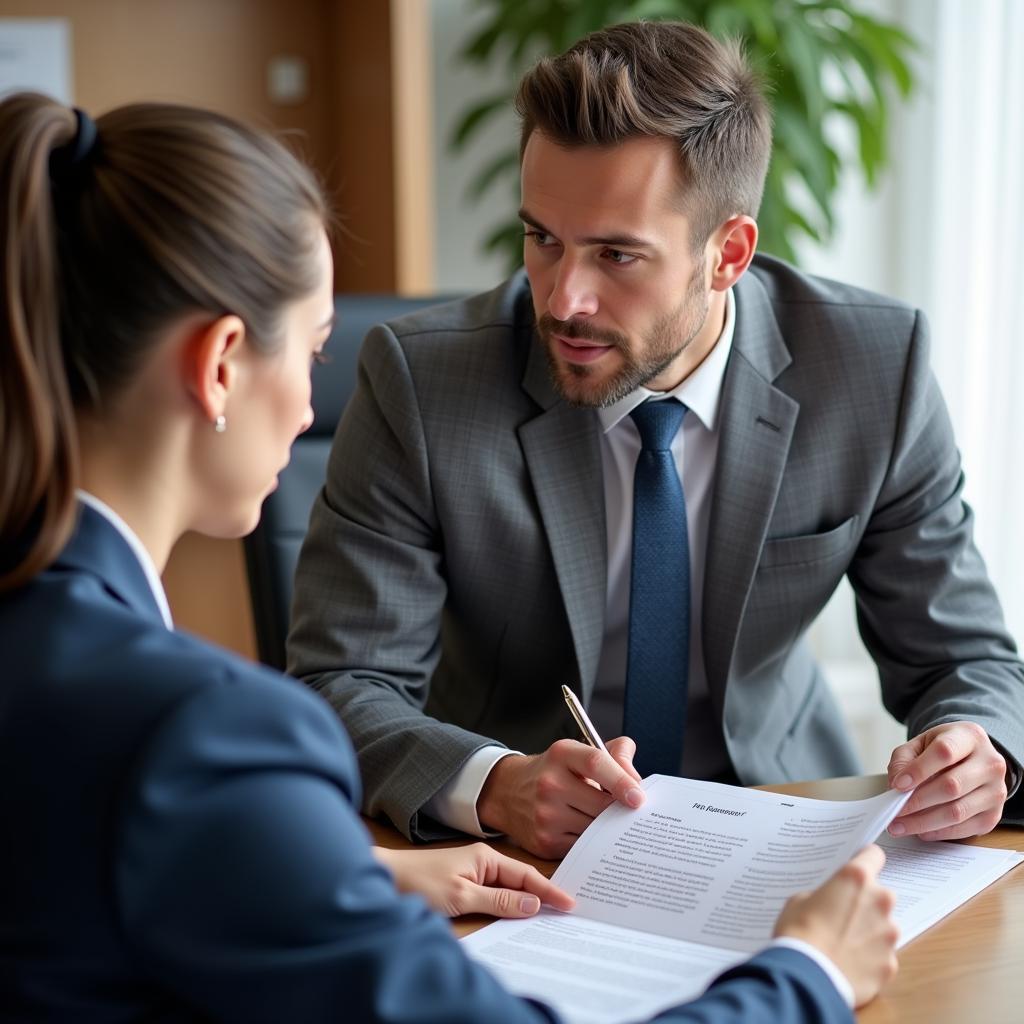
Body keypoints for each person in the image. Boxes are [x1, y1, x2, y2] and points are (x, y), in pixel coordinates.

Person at [0, 90, 899, 1023]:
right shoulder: (209, 733)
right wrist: (810, 973)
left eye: (617, 252)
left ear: (729, 255)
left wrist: (339, 878)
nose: (313, 412)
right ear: (221, 364)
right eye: (313, 353)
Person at [287, 19, 1024, 859]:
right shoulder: (424, 383)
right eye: (544, 240)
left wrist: (977, 749)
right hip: (527, 851)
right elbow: (340, 682)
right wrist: (494, 783)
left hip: (783, 826)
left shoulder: (872, 371)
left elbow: (967, 657)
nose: (564, 299)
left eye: (616, 255)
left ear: (729, 254)